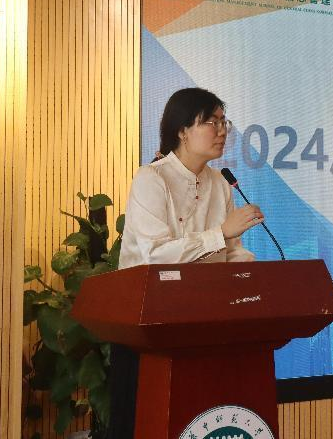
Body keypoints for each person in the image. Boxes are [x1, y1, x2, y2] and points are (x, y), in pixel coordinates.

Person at [106, 87, 264, 439]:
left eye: (224, 122)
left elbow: (232, 254)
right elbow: (154, 255)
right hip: (148, 331)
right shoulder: (151, 178)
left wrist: (256, 283)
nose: (222, 131)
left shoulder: (220, 183)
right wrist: (220, 233)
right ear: (182, 131)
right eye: (211, 122)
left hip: (205, 326)